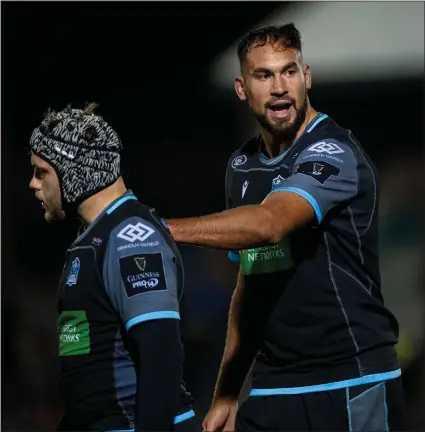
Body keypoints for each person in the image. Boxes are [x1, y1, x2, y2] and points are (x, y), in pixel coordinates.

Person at [166, 24, 405, 431]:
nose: (280, 86)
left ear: (306, 76)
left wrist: (160, 229)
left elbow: (271, 224)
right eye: (264, 75)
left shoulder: (333, 151)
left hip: (352, 378)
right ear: (242, 89)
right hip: (275, 386)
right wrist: (226, 393)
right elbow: (252, 282)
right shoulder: (241, 168)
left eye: (289, 72)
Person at [28, 103, 195, 432]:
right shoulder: (93, 239)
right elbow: (87, 379)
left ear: (73, 169)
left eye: (41, 171)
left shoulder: (132, 237)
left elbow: (160, 355)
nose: (33, 184)